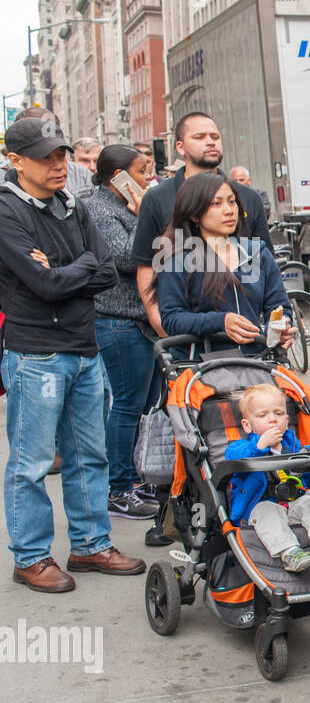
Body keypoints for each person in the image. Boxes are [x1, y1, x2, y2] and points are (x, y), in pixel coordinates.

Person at [0, 117, 146, 592]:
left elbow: (106, 270)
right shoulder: (7, 211)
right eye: (46, 157)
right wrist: (75, 270)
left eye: (61, 154)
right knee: (32, 462)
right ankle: (31, 557)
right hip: (36, 352)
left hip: (84, 347)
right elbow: (44, 284)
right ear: (15, 161)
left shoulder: (71, 204)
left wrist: (68, 269)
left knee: (90, 455)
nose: (58, 164)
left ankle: (89, 545)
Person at [131, 112, 274, 338]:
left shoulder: (249, 197)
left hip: (247, 341)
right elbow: (147, 264)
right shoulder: (157, 198)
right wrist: (160, 321)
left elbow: (264, 266)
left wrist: (274, 322)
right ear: (180, 147)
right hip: (187, 338)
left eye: (215, 136)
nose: (210, 141)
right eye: (199, 137)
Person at [84, 144, 163, 520]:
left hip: (140, 321)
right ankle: (119, 488)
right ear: (119, 177)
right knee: (128, 407)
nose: (148, 177)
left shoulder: (128, 207)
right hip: (118, 320)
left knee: (145, 407)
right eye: (142, 170)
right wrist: (147, 221)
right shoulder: (100, 210)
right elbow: (128, 258)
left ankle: (137, 478)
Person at [148, 173, 295, 356]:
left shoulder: (257, 253)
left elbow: (279, 305)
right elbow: (171, 319)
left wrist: (282, 325)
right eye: (216, 204)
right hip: (201, 369)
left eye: (232, 202)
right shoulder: (177, 259)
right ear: (194, 214)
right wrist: (221, 321)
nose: (229, 210)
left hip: (256, 364)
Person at [225, 384, 310, 572]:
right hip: (260, 507)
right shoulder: (242, 447)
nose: (272, 419)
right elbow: (232, 458)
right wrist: (260, 446)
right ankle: (290, 551)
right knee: (268, 513)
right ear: (247, 425)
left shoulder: (292, 445)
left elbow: (309, 458)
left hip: (294, 502)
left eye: (278, 414)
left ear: (286, 420)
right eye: (263, 415)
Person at [9, 107, 94, 198]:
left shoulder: (82, 175)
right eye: (45, 156)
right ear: (17, 161)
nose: (58, 166)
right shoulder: (7, 205)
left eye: (61, 154)